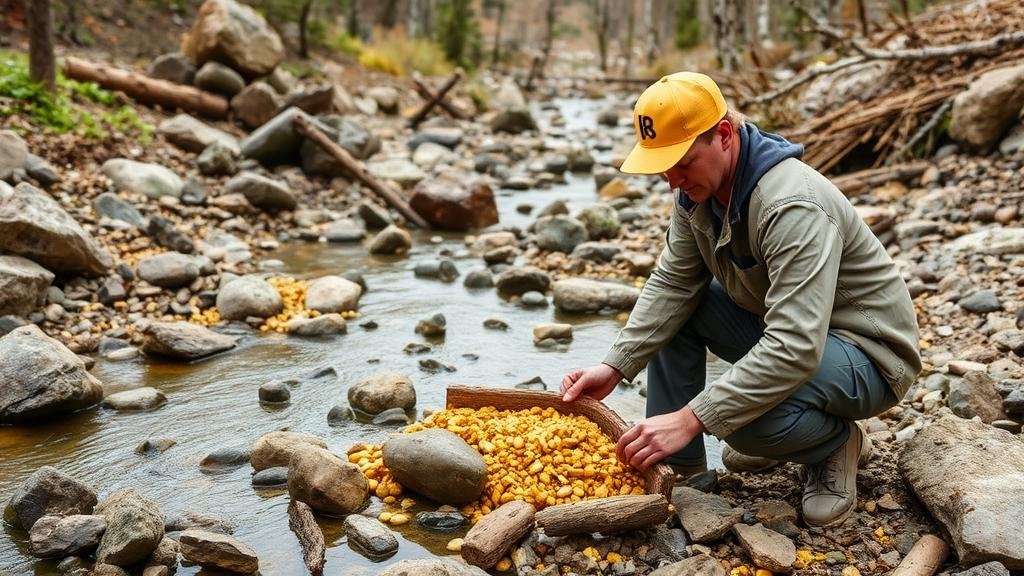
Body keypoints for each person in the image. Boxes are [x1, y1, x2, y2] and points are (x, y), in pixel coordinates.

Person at [560, 72, 921, 527]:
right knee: (681, 314)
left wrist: (694, 416)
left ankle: (834, 442)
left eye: (682, 163)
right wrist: (615, 365)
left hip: (869, 355)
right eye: (663, 167)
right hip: (795, 333)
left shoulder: (791, 205)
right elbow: (674, 283)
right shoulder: (699, 190)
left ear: (725, 135)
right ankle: (684, 473)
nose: (672, 180)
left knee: (741, 423)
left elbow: (794, 346)